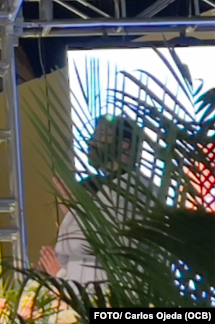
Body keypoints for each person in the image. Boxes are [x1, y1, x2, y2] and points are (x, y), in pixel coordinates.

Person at [39, 114, 149, 282]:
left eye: (100, 136)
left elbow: (91, 242)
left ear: (124, 145)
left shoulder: (132, 190)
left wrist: (75, 210)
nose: (91, 143)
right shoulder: (99, 186)